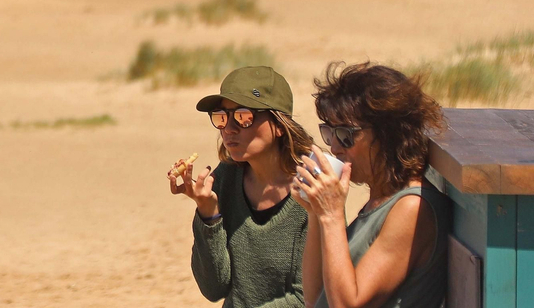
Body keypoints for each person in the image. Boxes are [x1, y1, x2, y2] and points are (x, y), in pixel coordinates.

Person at [291, 63, 448, 308]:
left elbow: (347, 304)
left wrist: (332, 216)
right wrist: (315, 213)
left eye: (345, 135)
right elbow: (316, 298)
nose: (334, 147)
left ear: (388, 134)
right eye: (329, 133)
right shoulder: (381, 199)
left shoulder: (412, 208)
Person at [171, 66, 314, 308]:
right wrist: (209, 215)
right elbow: (213, 288)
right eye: (221, 117)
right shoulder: (226, 177)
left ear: (279, 125)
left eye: (244, 117)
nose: (229, 129)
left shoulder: (313, 190)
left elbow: (308, 297)